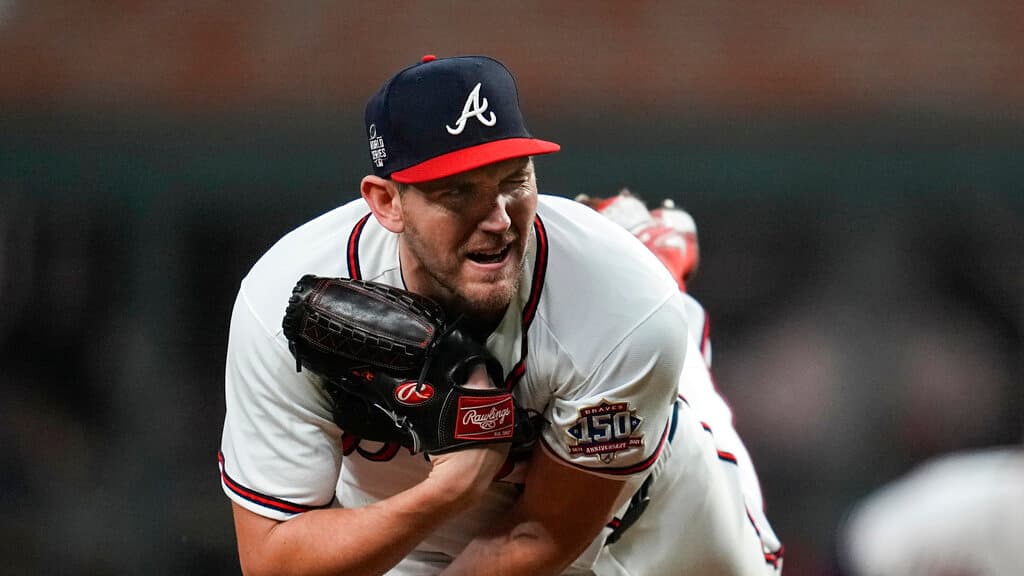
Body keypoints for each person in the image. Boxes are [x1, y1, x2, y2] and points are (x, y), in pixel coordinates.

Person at [219, 54, 783, 575]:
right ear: (387, 201)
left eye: (513, 180)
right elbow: (273, 560)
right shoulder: (283, 305)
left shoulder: (625, 306)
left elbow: (540, 537)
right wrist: (451, 489)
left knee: (642, 318)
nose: (498, 219)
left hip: (649, 526)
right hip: (414, 544)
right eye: (458, 191)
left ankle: (658, 269)